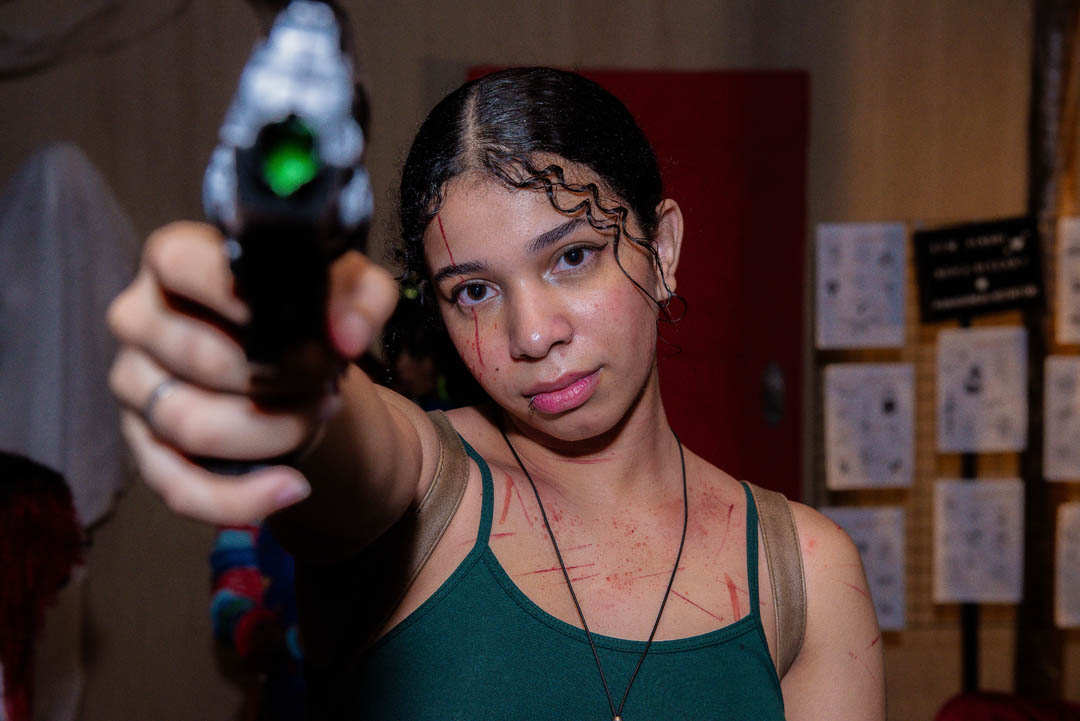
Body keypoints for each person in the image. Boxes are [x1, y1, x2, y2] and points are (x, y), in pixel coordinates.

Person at [107, 67, 884, 719]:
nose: (532, 333)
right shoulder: (424, 496)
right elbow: (349, 445)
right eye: (474, 290)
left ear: (664, 249)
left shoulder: (805, 574)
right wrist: (283, 370)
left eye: (573, 256)